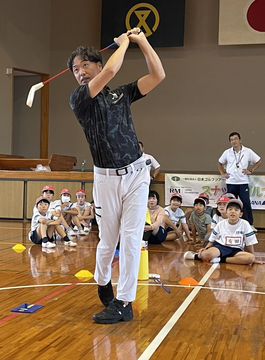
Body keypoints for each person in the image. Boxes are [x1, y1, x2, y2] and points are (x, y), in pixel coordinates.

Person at [67, 27, 165, 324]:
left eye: (85, 64)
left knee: (132, 238)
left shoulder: (122, 94)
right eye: (75, 68)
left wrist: (141, 42)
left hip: (137, 174)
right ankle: (103, 282)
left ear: (96, 63)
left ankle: (124, 302)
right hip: (106, 178)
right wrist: (123, 44)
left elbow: (158, 75)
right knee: (107, 240)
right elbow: (111, 70)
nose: (80, 72)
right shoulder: (79, 99)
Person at [184, 199, 264, 265]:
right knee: (207, 254)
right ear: (226, 212)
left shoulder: (245, 224)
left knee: (250, 258)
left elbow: (249, 243)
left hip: (236, 250)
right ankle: (196, 256)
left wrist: (253, 258)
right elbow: (212, 240)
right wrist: (206, 249)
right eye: (230, 209)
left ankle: (220, 259)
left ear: (240, 214)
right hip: (221, 247)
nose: (233, 212)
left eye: (236, 210)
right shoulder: (221, 224)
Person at [218, 132, 262, 232]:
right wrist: (223, 173)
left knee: (246, 203)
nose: (234, 141)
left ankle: (250, 224)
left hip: (242, 182)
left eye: (235, 139)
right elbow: (219, 163)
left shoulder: (248, 151)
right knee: (231, 204)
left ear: (240, 140)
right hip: (231, 182)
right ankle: (231, 223)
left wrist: (251, 170)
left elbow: (259, 161)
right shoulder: (227, 152)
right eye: (232, 140)